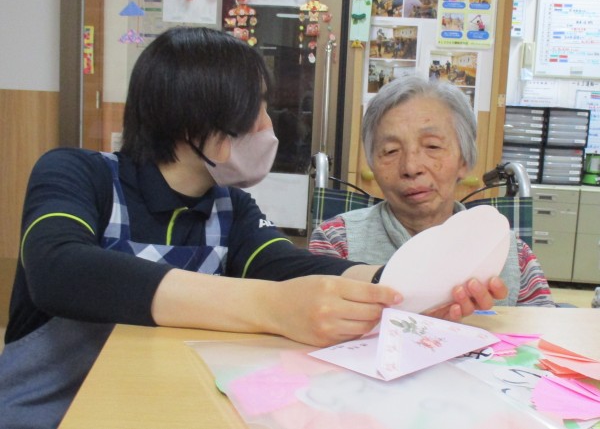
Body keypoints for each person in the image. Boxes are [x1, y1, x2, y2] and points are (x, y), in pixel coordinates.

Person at [0, 28, 504, 429]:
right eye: (256, 107)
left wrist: (413, 289)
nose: (268, 123)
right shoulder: (76, 173)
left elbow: (291, 266)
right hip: (51, 412)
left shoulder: (232, 209)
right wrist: (270, 306)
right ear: (195, 119)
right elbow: (59, 269)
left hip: (161, 407)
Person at [309, 77, 555, 309]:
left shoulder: (513, 255)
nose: (411, 167)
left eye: (432, 146)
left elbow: (542, 334)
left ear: (464, 161)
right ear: (372, 164)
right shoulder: (336, 241)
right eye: (391, 150)